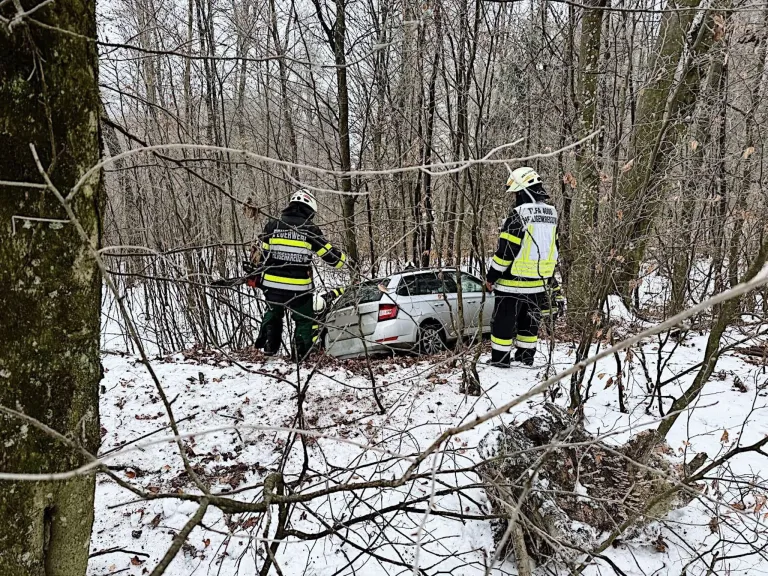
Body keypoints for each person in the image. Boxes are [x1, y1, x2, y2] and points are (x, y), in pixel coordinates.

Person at [251, 189, 347, 360]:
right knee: (304, 321)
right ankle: (300, 356)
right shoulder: (309, 229)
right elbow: (332, 258)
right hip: (299, 289)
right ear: (309, 209)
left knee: (273, 314)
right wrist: (345, 260)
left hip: (272, 287)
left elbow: (263, 258)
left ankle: (269, 348)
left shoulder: (272, 225)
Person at [485, 167, 562, 367]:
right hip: (538, 283)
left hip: (512, 283)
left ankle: (500, 362)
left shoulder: (518, 215)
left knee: (503, 324)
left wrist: (491, 276)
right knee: (529, 325)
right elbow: (554, 248)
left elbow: (506, 251)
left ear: (521, 191)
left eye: (516, 193)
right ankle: (526, 359)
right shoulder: (552, 214)